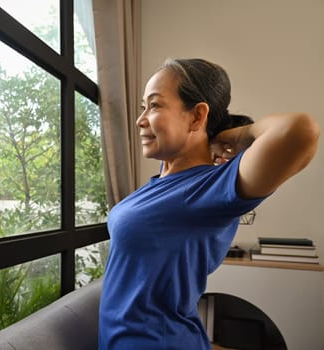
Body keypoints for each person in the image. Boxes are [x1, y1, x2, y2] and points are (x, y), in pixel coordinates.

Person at [98, 58, 320, 349]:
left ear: (196, 116)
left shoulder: (208, 187)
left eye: (154, 105)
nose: (141, 120)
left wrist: (236, 135)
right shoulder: (159, 185)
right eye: (143, 107)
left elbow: (301, 131)